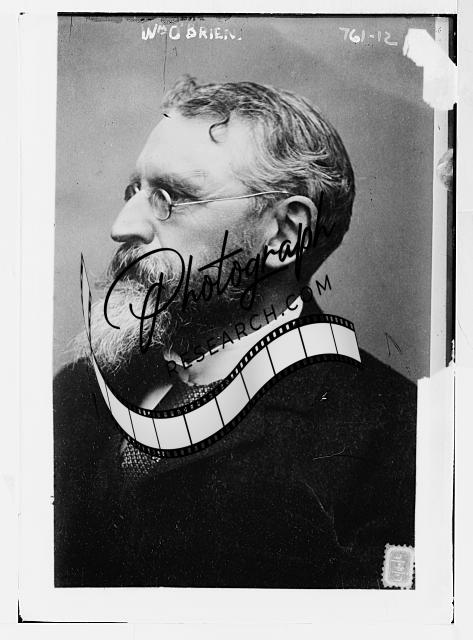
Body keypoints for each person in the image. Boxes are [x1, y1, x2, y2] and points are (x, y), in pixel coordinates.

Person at [54, 76, 416, 588]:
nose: (122, 226)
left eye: (170, 197)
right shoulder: (75, 393)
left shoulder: (392, 436)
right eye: (135, 191)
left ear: (286, 235)